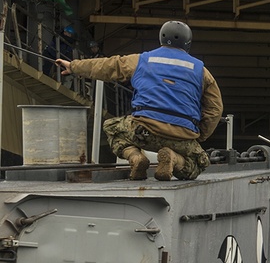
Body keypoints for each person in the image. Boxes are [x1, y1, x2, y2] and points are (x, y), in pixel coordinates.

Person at [56, 20, 222, 181]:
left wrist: (74, 67)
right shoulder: (202, 71)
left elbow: (108, 66)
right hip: (181, 136)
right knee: (198, 163)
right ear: (187, 43)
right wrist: (199, 135)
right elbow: (214, 109)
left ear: (161, 38)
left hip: (143, 132)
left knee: (112, 127)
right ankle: (173, 158)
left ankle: (135, 157)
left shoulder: (142, 60)